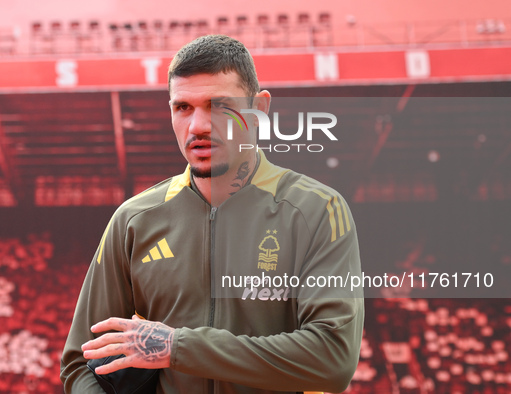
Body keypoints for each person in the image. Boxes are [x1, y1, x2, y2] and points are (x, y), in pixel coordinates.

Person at [61, 34, 364, 394]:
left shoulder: (317, 211)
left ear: (260, 111)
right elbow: (80, 362)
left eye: (219, 105)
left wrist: (177, 347)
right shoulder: (133, 220)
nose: (198, 126)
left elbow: (333, 360)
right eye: (183, 108)